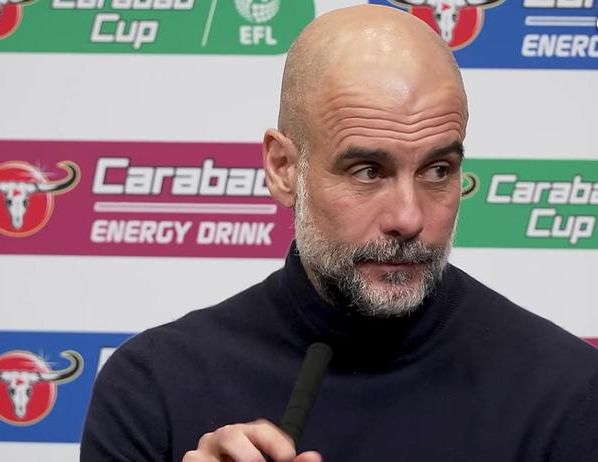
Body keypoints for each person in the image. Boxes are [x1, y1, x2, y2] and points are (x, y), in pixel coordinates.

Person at [80, 5, 598, 462]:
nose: (409, 218)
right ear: (284, 169)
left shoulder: (570, 393)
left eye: (437, 170)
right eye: (368, 171)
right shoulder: (153, 389)